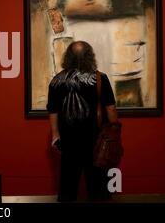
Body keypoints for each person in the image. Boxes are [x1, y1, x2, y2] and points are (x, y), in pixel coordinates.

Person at [47, 41, 119, 202]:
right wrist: (114, 133)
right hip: (96, 138)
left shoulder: (57, 80)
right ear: (89, 56)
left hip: (68, 139)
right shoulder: (100, 78)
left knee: (68, 181)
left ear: (68, 57)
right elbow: (110, 109)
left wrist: (55, 135)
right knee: (98, 182)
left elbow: (53, 110)